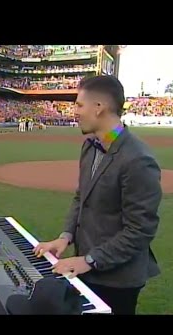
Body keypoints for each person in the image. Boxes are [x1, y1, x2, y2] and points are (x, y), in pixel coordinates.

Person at [34, 76, 162, 315]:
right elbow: (81, 197)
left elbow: (140, 230)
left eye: (79, 105)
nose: (74, 112)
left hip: (118, 280)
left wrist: (89, 260)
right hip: (86, 268)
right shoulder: (90, 145)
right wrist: (65, 236)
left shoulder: (138, 160)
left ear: (99, 108)